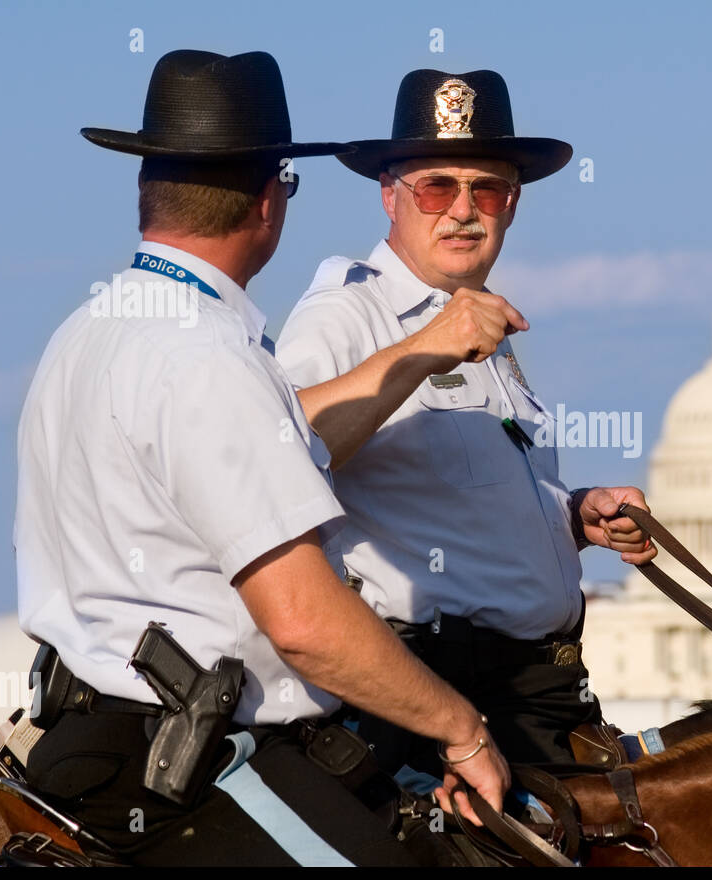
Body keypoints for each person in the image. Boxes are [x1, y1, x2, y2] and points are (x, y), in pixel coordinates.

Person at [13, 50, 506, 866]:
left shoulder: (87, 332)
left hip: (89, 742)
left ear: (147, 189)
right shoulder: (209, 356)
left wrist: (420, 352)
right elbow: (306, 626)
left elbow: (302, 446)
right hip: (180, 772)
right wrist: (461, 729)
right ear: (273, 199)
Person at [276, 69, 657, 786]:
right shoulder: (350, 311)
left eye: (487, 190)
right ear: (389, 193)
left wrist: (576, 516)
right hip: (431, 707)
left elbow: (455, 492)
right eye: (436, 188)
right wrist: (426, 350)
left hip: (541, 694)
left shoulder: (475, 312)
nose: (463, 212)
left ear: (511, 205)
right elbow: (283, 452)